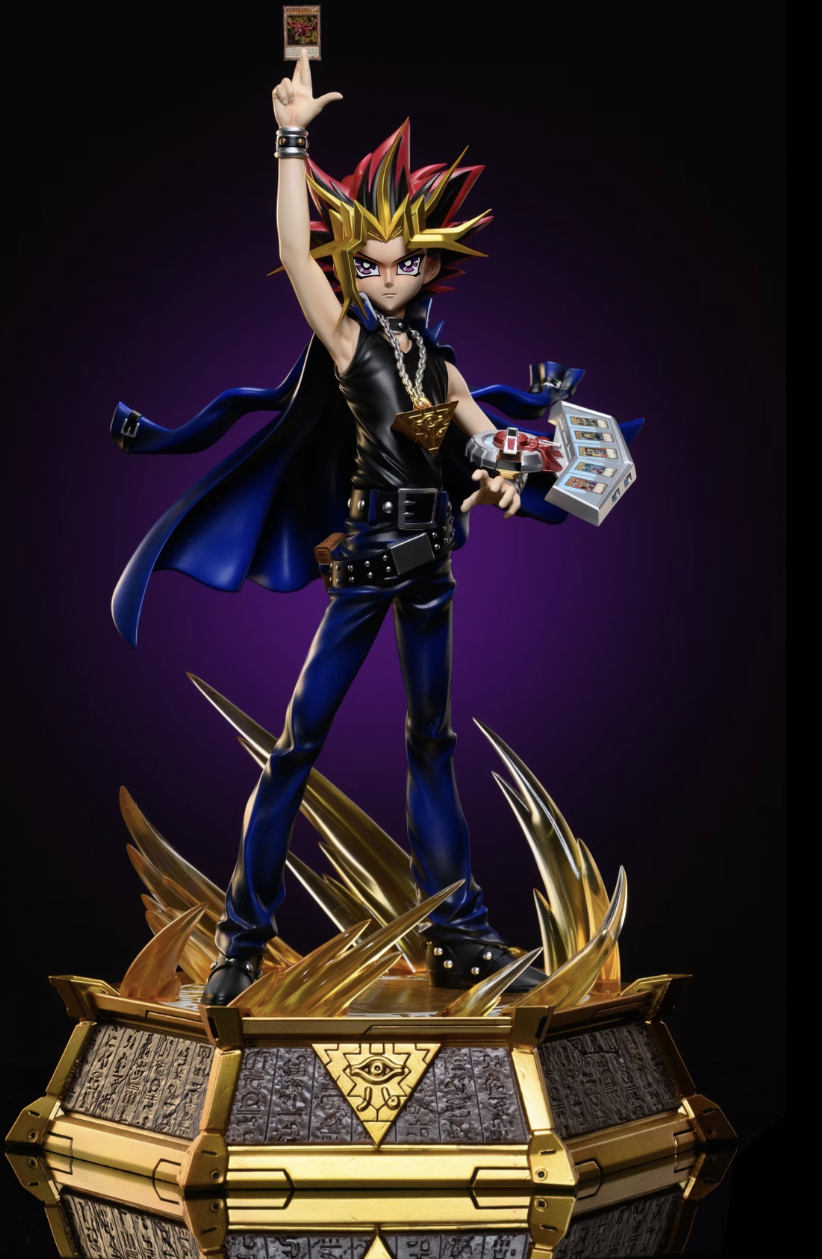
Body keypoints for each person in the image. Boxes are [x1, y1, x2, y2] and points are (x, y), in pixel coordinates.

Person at [109, 51, 568, 1005]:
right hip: (367, 561)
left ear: (431, 265)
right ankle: (243, 941)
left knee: (433, 741)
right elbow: (291, 253)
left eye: (404, 263)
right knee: (298, 742)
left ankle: (458, 937)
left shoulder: (442, 366)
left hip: (433, 565)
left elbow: (484, 440)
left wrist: (509, 472)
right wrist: (290, 139)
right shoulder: (350, 341)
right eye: (369, 263)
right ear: (352, 264)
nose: (386, 277)